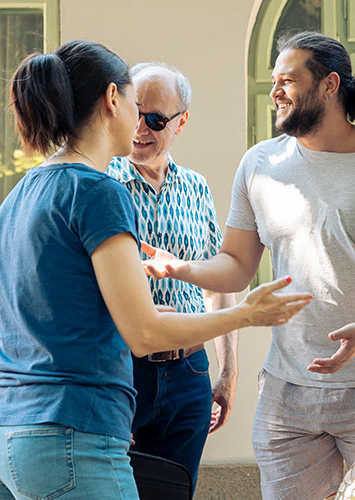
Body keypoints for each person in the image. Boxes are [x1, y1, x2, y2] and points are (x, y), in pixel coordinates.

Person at [0, 40, 310, 500]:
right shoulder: (98, 191)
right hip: (70, 438)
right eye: (135, 101)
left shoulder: (19, 195)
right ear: (113, 100)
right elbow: (143, 333)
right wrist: (247, 314)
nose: (139, 119)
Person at [142, 31, 355, 499]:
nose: (275, 92)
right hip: (288, 389)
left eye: (288, 80)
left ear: (329, 85)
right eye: (273, 81)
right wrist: (181, 268)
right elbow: (237, 265)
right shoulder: (260, 164)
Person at [106, 62, 238, 490]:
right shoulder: (102, 182)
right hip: (124, 370)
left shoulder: (196, 188)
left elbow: (217, 285)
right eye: (136, 111)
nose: (141, 128)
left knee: (177, 489)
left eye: (156, 119)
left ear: (182, 121)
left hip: (189, 374)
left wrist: (227, 373)